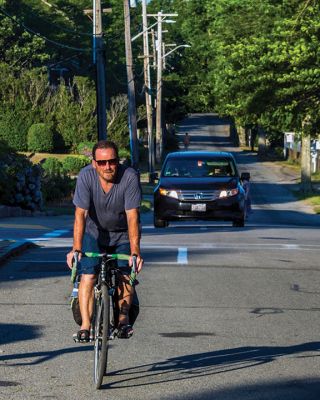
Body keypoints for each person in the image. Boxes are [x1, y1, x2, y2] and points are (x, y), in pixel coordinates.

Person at [66, 140, 143, 342]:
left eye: (112, 161)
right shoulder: (85, 176)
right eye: (102, 162)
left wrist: (135, 252)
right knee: (88, 276)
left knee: (125, 275)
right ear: (94, 163)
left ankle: (123, 321)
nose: (107, 166)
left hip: (122, 235)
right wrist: (76, 248)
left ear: (118, 161)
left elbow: (133, 216)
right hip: (94, 233)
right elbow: (80, 215)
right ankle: (85, 325)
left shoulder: (129, 177)